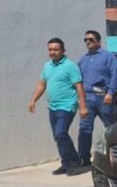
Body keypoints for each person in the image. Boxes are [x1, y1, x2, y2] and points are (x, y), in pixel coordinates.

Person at [28, 38, 87, 175]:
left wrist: (83, 107)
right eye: (50, 50)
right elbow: (42, 84)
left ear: (63, 50)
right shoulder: (47, 66)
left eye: (56, 49)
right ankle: (66, 163)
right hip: (52, 107)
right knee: (58, 136)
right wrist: (33, 100)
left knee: (60, 133)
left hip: (67, 106)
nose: (52, 52)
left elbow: (79, 87)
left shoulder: (70, 66)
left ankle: (74, 161)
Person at [77, 30, 117, 166]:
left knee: (110, 127)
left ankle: (115, 156)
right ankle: (84, 157)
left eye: (91, 39)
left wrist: (110, 93)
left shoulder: (108, 57)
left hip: (103, 96)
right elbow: (78, 79)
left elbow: (114, 75)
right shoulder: (83, 59)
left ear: (98, 42)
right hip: (87, 97)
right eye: (86, 40)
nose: (88, 42)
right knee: (84, 127)